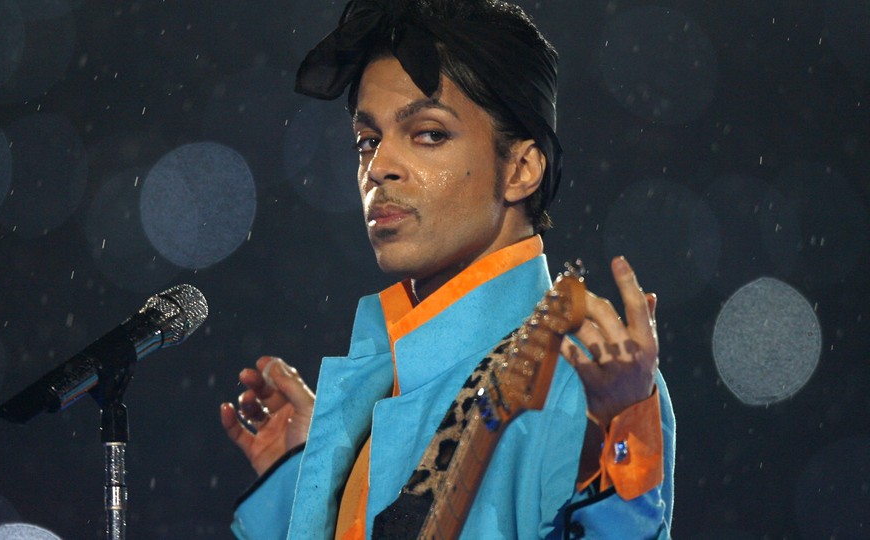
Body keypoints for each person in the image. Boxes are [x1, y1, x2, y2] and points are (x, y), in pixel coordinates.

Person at [220, 0, 675, 538]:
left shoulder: (576, 374)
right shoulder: (376, 393)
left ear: (522, 168)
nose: (378, 166)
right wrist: (310, 478)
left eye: (429, 133)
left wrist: (626, 433)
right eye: (367, 140)